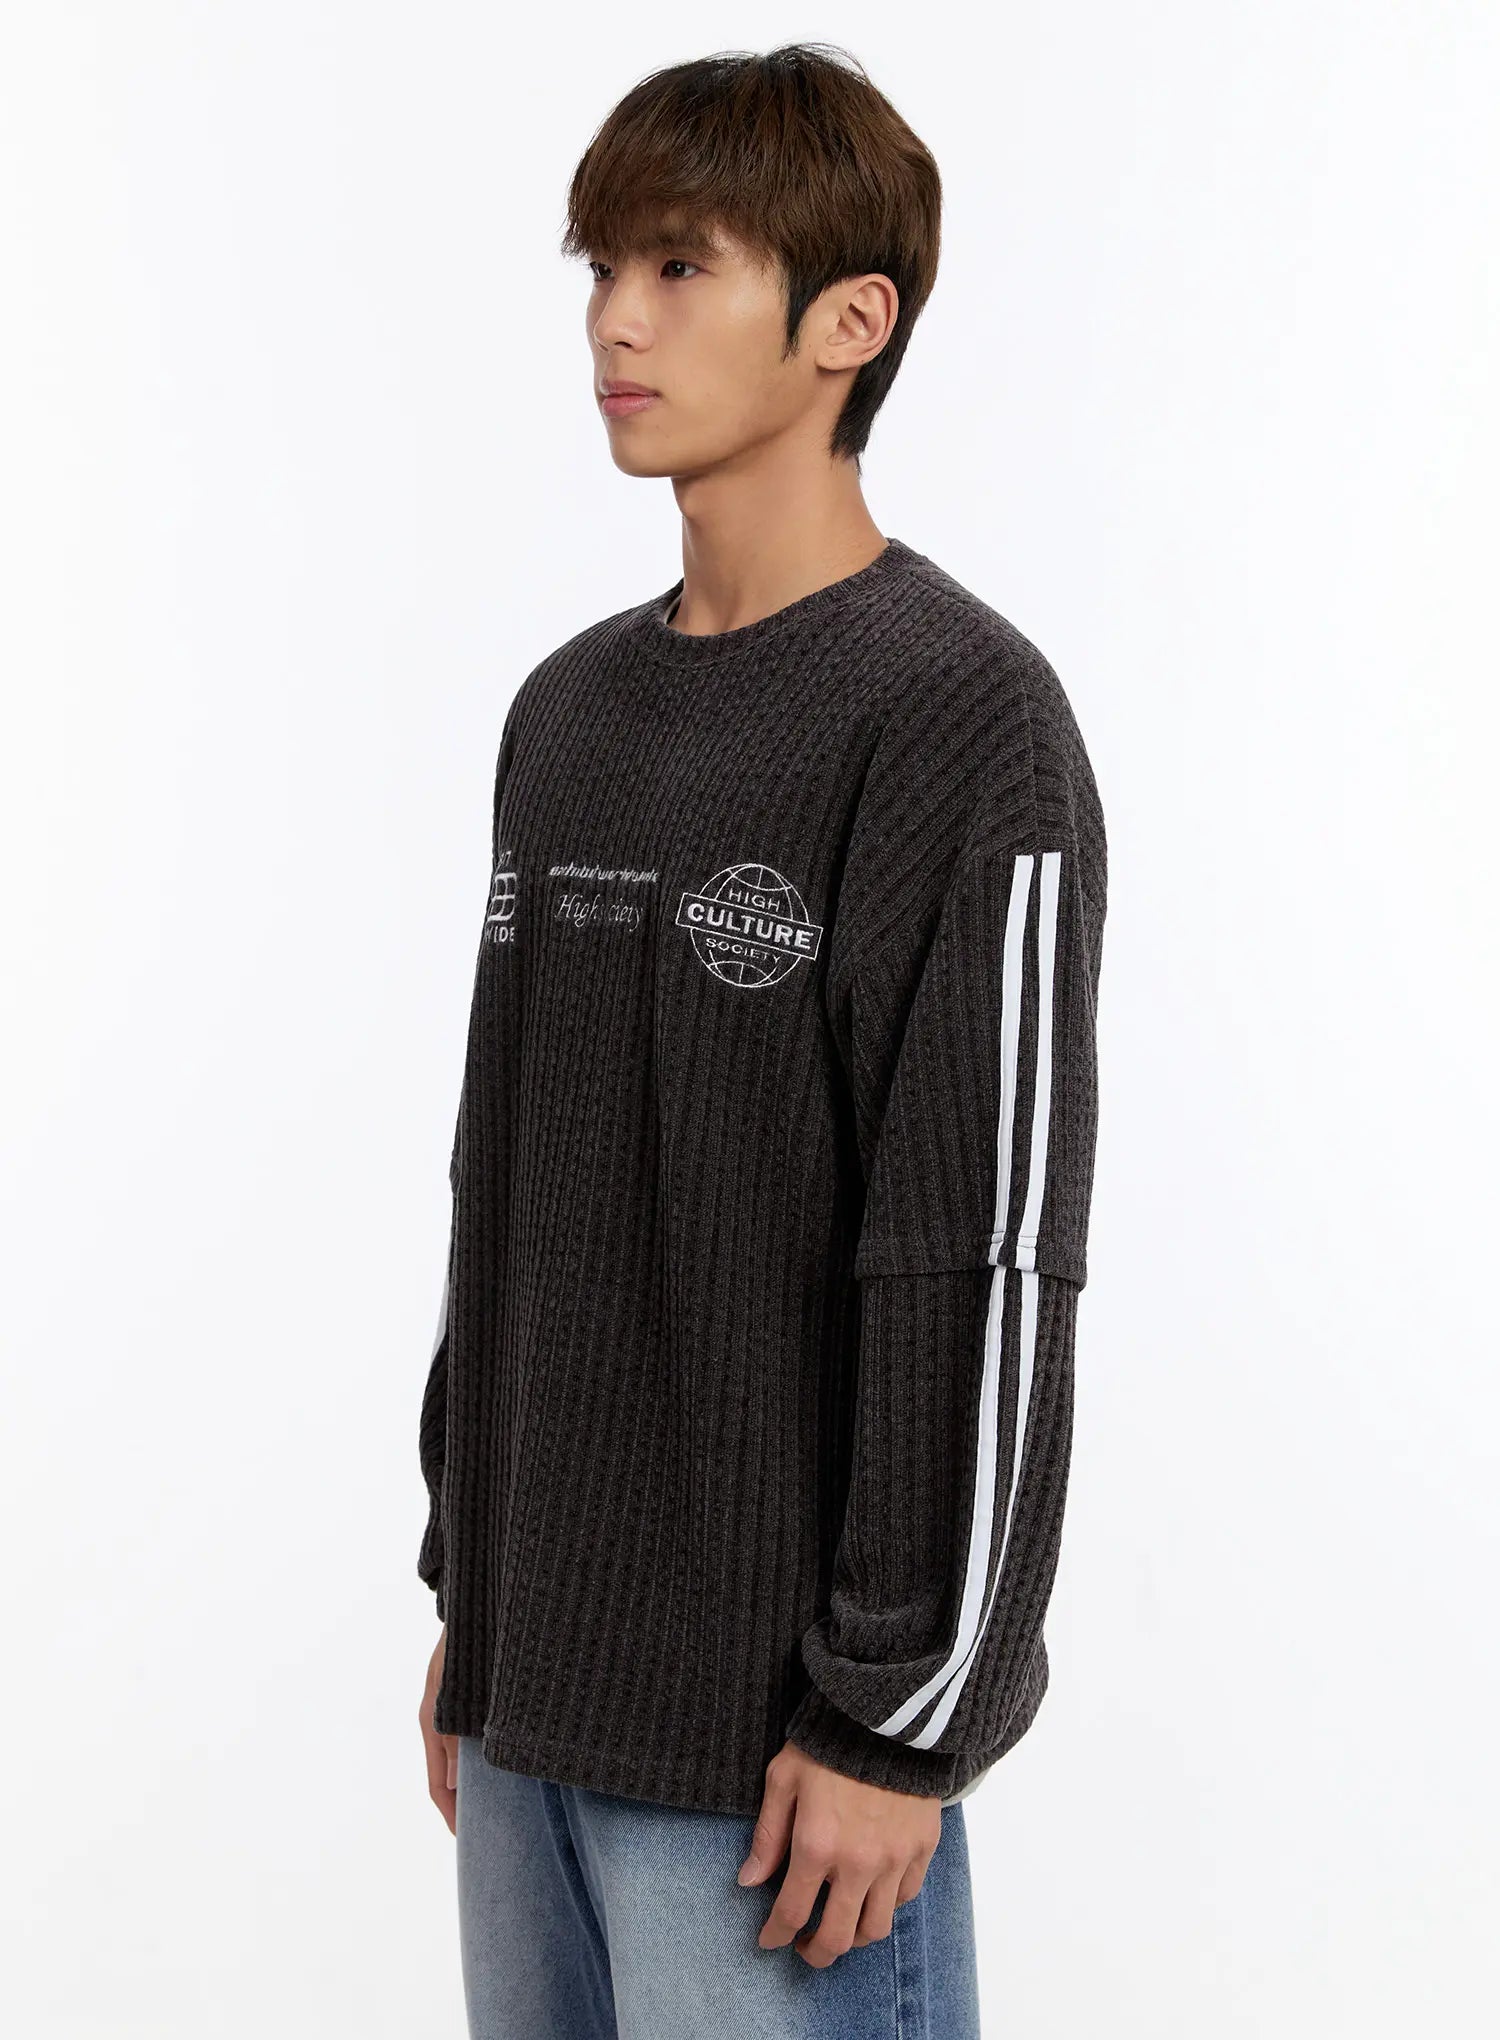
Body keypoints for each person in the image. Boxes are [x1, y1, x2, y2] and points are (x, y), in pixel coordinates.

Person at [415, 41, 1107, 2040]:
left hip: (781, 1769)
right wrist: (476, 1600)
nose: (614, 325)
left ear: (847, 322)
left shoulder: (959, 719)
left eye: (678, 266)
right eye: (601, 270)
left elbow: (982, 1254)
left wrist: (906, 1718)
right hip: (528, 1718)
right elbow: (507, 1187)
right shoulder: (566, 713)